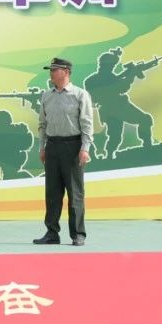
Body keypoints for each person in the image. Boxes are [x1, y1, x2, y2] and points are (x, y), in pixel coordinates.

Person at [35, 57, 94, 246]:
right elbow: (42, 124)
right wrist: (42, 147)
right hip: (52, 146)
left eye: (54, 70)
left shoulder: (80, 95)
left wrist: (85, 148)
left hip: (73, 146)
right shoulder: (47, 96)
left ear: (66, 72)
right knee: (52, 193)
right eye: (50, 70)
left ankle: (78, 234)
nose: (51, 73)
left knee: (75, 192)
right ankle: (52, 233)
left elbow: (87, 124)